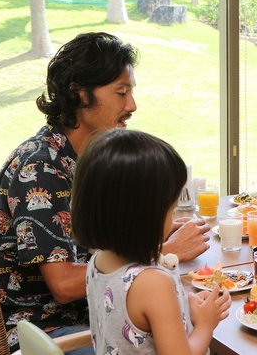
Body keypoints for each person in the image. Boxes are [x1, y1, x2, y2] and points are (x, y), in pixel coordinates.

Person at [0, 32, 211, 353]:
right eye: (121, 92)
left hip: (87, 312)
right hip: (33, 330)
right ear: (78, 93)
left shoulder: (87, 156)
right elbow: (64, 284)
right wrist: (165, 254)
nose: (132, 105)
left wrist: (148, 231)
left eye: (131, 91)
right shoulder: (40, 168)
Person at [72, 129, 231, 355]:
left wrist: (184, 306)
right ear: (145, 215)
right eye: (171, 207)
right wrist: (206, 323)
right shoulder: (152, 282)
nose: (173, 215)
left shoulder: (99, 260)